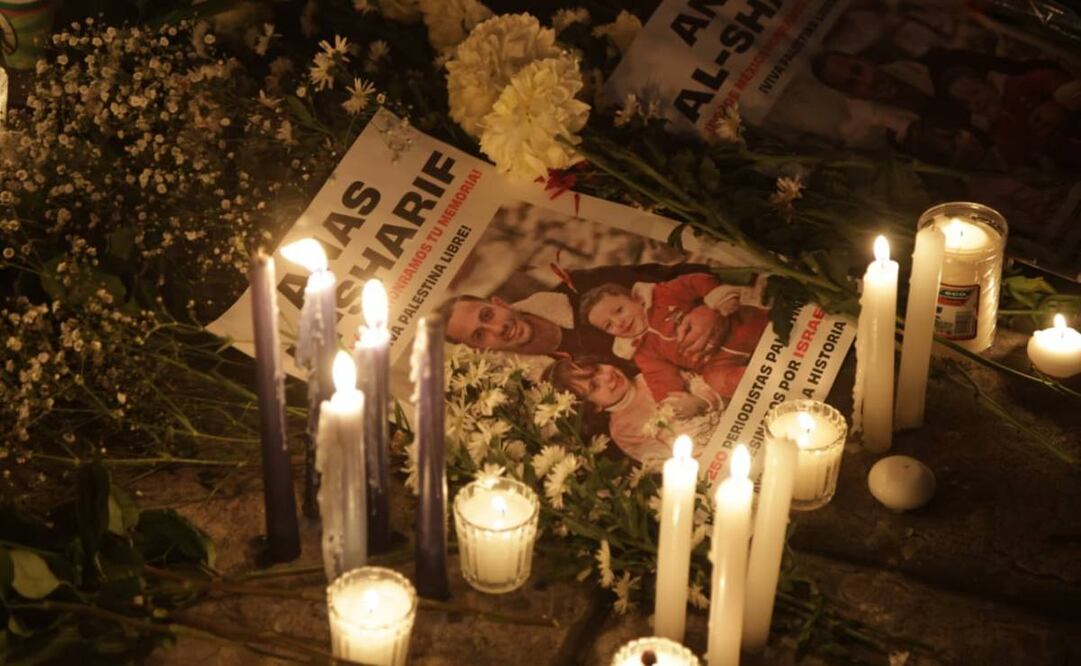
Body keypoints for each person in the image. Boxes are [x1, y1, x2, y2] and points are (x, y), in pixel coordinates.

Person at [439, 263, 752, 362]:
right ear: (480, 349)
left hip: (732, 324)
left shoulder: (580, 288)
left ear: (499, 304)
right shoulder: (540, 387)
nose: (497, 329)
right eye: (480, 335)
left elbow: (673, 275)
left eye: (487, 316)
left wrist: (708, 307)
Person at [578, 273, 770, 401]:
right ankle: (768, 381)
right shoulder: (641, 351)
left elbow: (693, 282)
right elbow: (659, 377)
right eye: (608, 325)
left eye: (619, 310)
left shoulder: (662, 295)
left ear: (636, 298)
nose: (619, 323)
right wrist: (670, 402)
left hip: (734, 326)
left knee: (756, 321)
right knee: (717, 381)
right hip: (716, 362)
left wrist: (714, 297)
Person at [544, 357, 721, 463]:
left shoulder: (650, 375)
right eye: (594, 385)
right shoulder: (622, 430)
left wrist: (700, 401)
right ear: (593, 406)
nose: (607, 376)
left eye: (598, 368)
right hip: (709, 459)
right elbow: (662, 462)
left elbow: (706, 382)